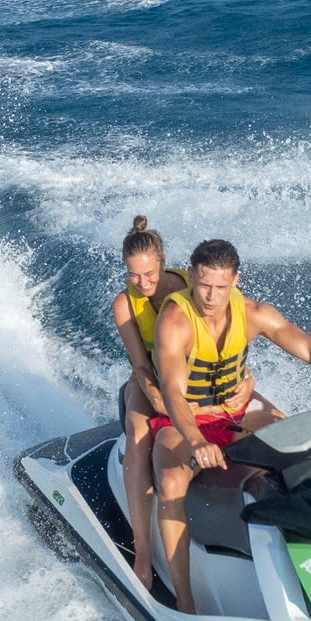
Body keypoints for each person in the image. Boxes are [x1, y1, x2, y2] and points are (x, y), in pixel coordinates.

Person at [152, 239, 311, 614]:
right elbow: (174, 393)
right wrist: (195, 441)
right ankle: (185, 598)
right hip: (185, 421)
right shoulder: (175, 322)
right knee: (173, 483)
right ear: (192, 275)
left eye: (221, 287)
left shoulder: (254, 313)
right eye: (204, 285)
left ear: (235, 281)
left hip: (235, 413)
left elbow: (310, 349)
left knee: (298, 449)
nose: (211, 296)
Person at [109, 217, 187, 590]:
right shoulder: (125, 303)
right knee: (139, 437)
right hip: (149, 379)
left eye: (149, 273)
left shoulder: (189, 288)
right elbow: (140, 363)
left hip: (192, 378)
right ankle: (142, 554)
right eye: (134, 275)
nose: (142, 283)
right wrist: (159, 398)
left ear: (162, 262)